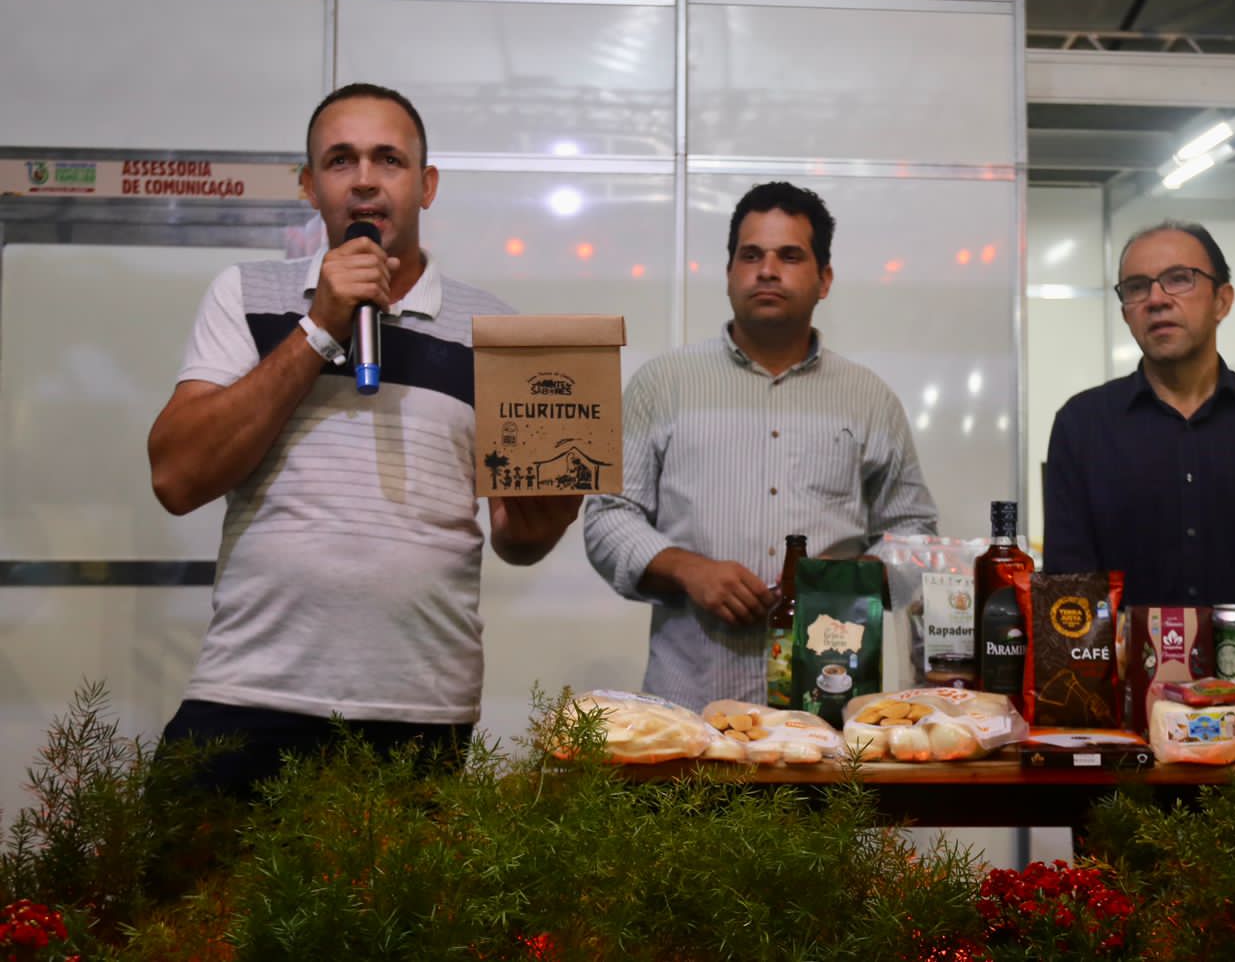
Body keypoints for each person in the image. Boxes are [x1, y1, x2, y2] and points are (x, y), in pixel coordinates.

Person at [148, 83, 581, 796]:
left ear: (426, 185)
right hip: (250, 693)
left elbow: (517, 539)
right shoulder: (246, 295)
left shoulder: (496, 330)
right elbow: (177, 477)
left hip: (420, 709)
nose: (365, 180)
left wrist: (546, 515)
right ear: (309, 186)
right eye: (341, 160)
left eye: (389, 159)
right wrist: (319, 327)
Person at [583, 181, 938, 708]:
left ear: (824, 280)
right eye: (751, 255)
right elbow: (608, 516)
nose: (767, 270)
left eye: (789, 256)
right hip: (691, 710)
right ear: (729, 273)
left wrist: (849, 580)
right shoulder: (662, 385)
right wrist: (687, 568)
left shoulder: (869, 399)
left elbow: (915, 534)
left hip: (827, 708)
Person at [1043, 221, 1235, 606]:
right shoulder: (1082, 427)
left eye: (1179, 279)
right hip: (1121, 648)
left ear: (1222, 301)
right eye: (1136, 287)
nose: (1156, 299)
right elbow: (1068, 589)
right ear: (1126, 313)